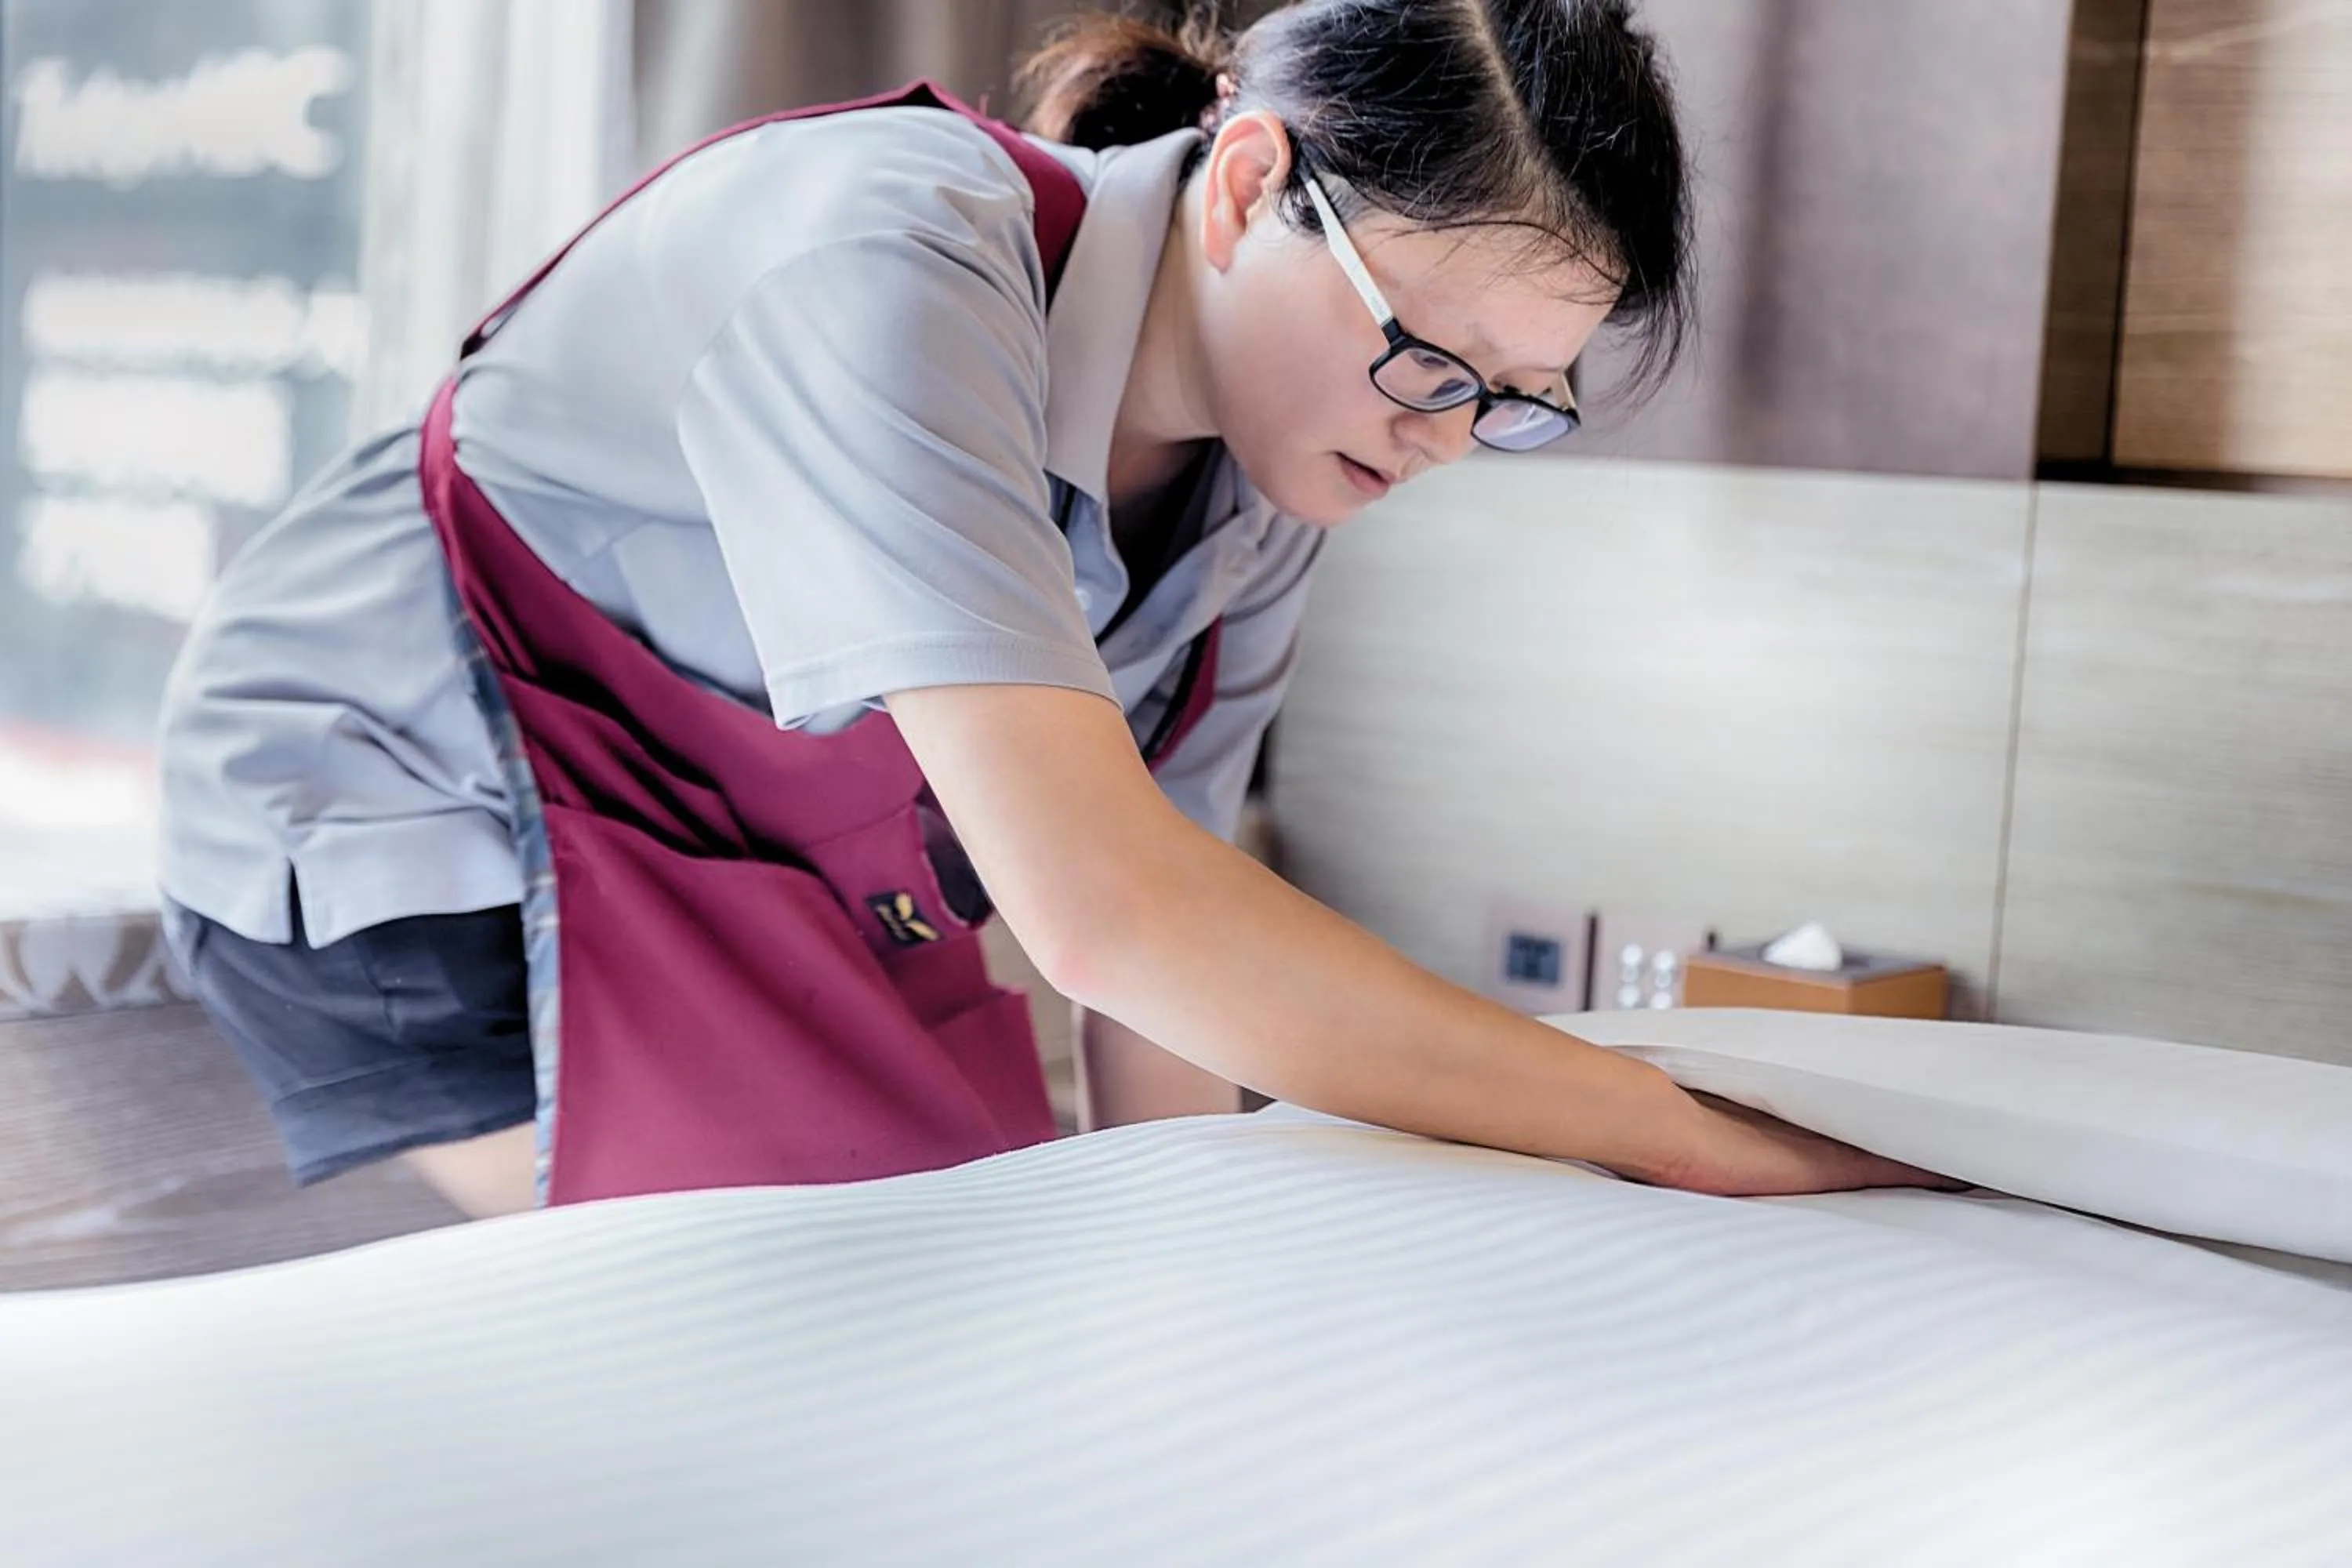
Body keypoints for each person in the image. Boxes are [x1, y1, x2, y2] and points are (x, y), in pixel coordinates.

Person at [156, 0, 1949, 1218]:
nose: (1448, 437)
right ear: (1247, 187)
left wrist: (1163, 1269)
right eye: (1430, 358)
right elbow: (1110, 916)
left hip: (715, 836)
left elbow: (1175, 937)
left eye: (1516, 401)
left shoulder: (1283, 467)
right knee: (812, 1340)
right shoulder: (892, 262)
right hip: (407, 797)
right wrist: (1665, 1131)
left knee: (1002, 1255)